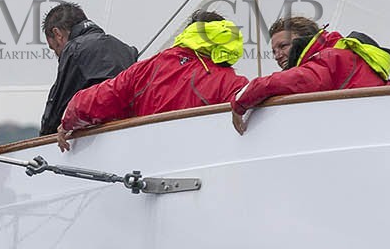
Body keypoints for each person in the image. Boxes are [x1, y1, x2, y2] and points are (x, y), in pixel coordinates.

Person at [56, 10, 248, 150]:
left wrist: (67, 123)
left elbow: (94, 100)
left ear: (187, 34)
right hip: (205, 172)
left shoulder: (146, 69)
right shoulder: (233, 84)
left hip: (148, 169)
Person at [229, 16, 390, 133]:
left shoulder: (331, 57)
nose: (277, 55)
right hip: (372, 128)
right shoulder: (339, 56)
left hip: (364, 130)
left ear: (305, 40)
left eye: (283, 46)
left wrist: (241, 99)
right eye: (274, 51)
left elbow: (296, 80)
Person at [37, 3, 138, 136]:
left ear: (57, 34)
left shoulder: (74, 50)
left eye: (54, 48)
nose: (57, 55)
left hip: (96, 135)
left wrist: (44, 139)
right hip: (131, 128)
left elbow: (59, 105)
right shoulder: (127, 50)